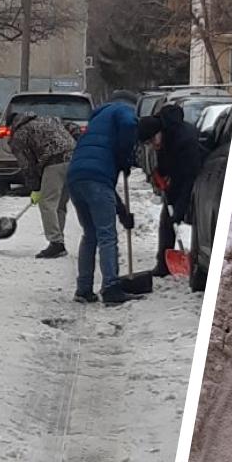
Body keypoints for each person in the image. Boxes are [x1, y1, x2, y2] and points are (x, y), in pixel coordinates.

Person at [65, 90, 141, 304]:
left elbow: (103, 188)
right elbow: (128, 125)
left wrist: (122, 211)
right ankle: (111, 288)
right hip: (97, 178)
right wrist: (125, 155)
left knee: (90, 234)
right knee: (107, 235)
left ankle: (83, 289)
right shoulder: (123, 110)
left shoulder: (98, 119)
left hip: (76, 177)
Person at [139, 104, 203, 276]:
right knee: (167, 221)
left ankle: (198, 263)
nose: (152, 145)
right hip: (179, 179)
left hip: (199, 181)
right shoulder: (165, 137)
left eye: (152, 140)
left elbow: (189, 178)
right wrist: (161, 175)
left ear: (159, 132)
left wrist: (180, 208)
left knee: (196, 219)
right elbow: (166, 164)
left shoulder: (185, 140)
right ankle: (163, 265)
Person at [7, 112, 75, 258]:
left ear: (12, 125)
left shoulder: (20, 134)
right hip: (75, 159)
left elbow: (27, 165)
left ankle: (56, 243)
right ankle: (59, 239)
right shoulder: (48, 119)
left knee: (47, 202)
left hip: (54, 161)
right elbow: (71, 128)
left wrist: (35, 188)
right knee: (60, 203)